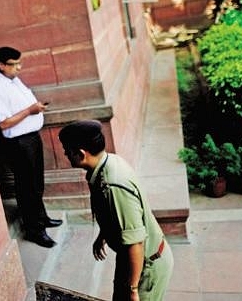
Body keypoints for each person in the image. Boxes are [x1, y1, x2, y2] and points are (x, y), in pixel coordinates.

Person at [58, 120, 173, 300]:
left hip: (146, 265)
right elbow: (115, 214)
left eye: (67, 151)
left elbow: (136, 243)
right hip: (132, 259)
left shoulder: (113, 185)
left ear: (81, 154)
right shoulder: (107, 162)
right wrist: (104, 234)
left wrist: (133, 290)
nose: (65, 154)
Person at [0, 46, 62, 248]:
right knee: (26, 187)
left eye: (20, 63)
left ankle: (41, 218)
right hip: (18, 143)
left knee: (36, 183)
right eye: (13, 64)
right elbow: (3, 123)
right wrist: (30, 110)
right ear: (1, 65)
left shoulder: (12, 80)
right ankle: (35, 230)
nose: (18, 67)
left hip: (31, 138)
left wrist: (35, 108)